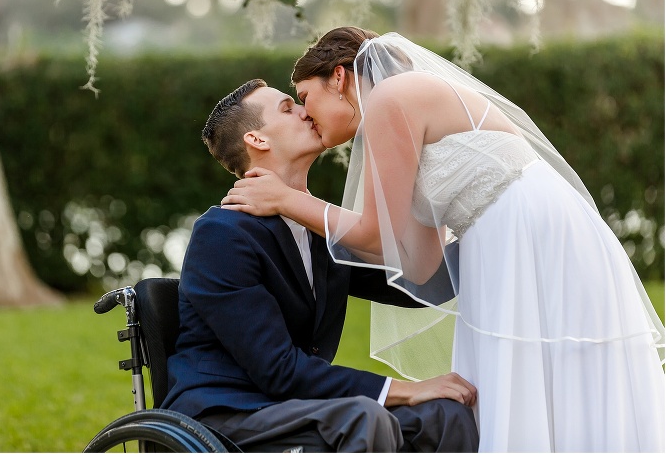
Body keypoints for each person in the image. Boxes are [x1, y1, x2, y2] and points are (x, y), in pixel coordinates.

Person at [221, 28, 666, 452]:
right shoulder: (397, 110)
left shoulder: (391, 99)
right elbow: (418, 263)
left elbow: (375, 234)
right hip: (500, 236)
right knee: (530, 378)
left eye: (304, 97)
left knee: (537, 373)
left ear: (338, 77)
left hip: (525, 229)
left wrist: (286, 200)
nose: (306, 114)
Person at [161, 78, 480, 452]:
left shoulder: (318, 226)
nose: (305, 110)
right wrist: (406, 390)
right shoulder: (222, 235)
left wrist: (473, 224)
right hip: (225, 414)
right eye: (287, 108)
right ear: (257, 140)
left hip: (296, 406)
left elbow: (418, 286)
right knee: (365, 416)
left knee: (446, 414)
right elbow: (277, 369)